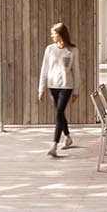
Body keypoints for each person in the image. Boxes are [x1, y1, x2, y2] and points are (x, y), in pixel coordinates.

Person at [37, 21, 80, 158]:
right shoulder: (49, 49)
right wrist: (41, 88)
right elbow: (44, 69)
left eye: (53, 33)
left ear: (61, 34)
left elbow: (76, 71)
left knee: (59, 112)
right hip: (52, 86)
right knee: (59, 114)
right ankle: (67, 137)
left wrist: (76, 91)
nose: (52, 36)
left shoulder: (73, 50)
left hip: (66, 86)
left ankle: (54, 144)